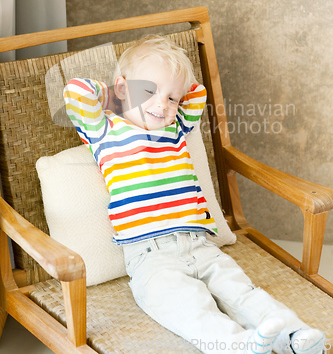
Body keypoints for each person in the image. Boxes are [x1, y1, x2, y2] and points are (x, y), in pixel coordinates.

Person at [64, 35, 325, 354]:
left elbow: (196, 91)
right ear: (121, 89)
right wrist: (121, 96)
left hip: (201, 245)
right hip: (150, 255)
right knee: (185, 304)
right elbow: (76, 90)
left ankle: (294, 336)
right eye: (148, 91)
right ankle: (234, 345)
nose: (162, 105)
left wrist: (169, 91)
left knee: (243, 292)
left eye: (172, 98)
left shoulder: (175, 131)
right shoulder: (105, 129)